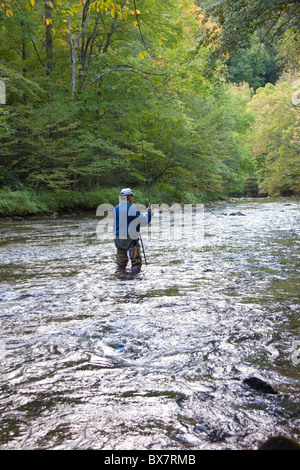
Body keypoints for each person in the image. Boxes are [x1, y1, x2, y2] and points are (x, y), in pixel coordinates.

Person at [113, 188, 152, 272]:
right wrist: (148, 212)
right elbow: (144, 222)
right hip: (130, 240)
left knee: (120, 264)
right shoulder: (132, 209)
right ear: (129, 197)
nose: (132, 197)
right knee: (136, 263)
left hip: (118, 239)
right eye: (132, 195)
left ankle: (120, 280)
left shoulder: (115, 209)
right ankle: (134, 282)